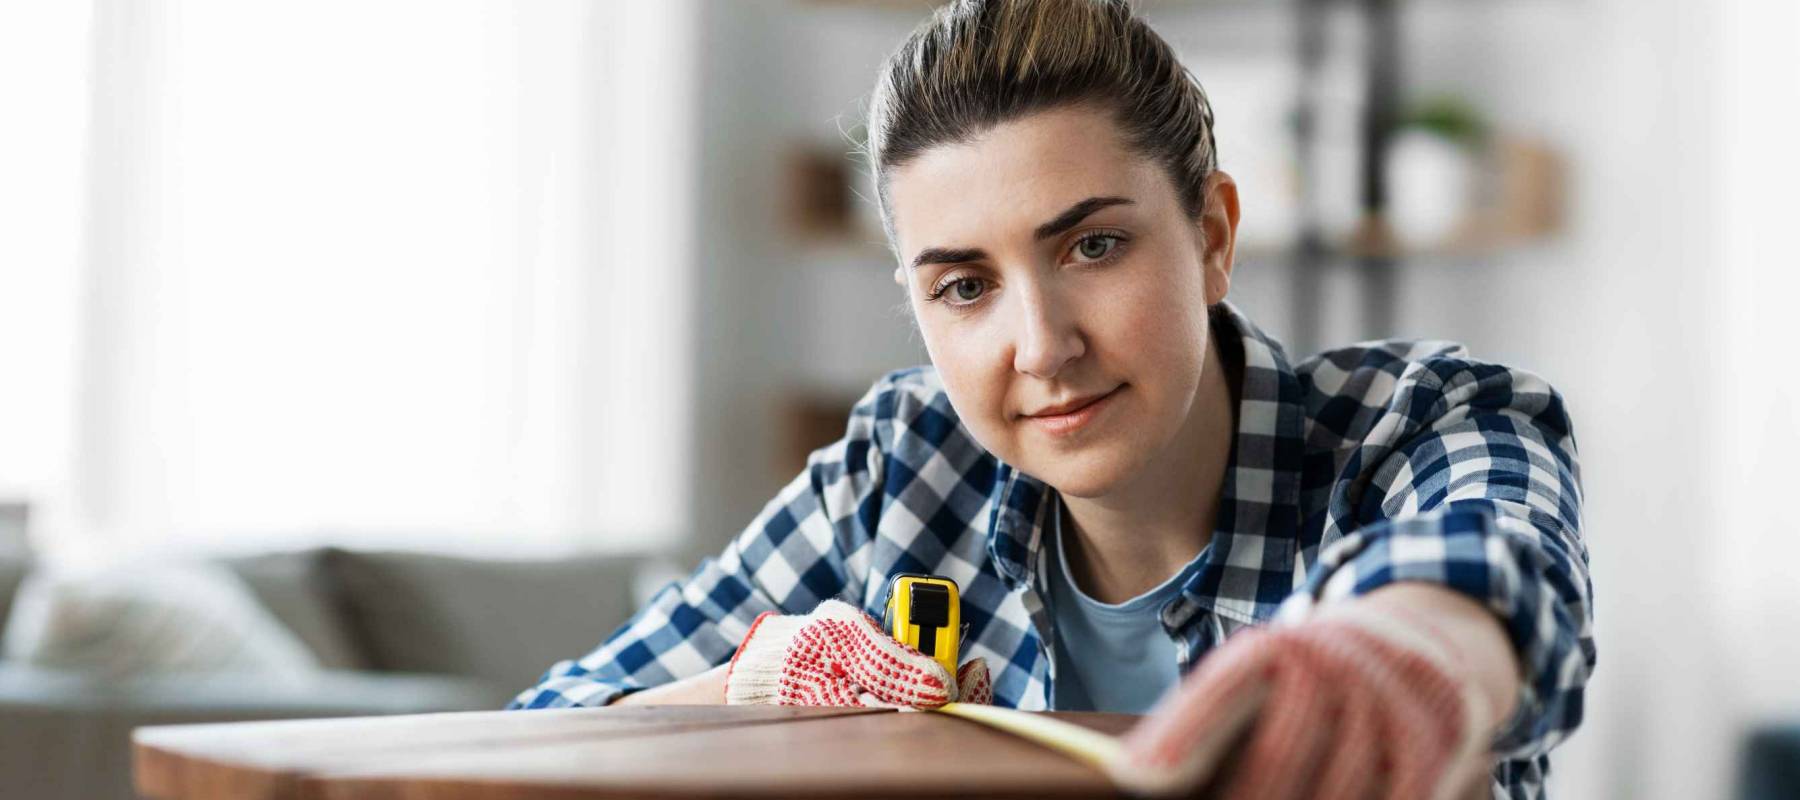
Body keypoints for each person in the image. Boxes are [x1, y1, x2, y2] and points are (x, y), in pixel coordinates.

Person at [508, 1, 1594, 797]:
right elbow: (537, 735)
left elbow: (1491, 573)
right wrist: (748, 693)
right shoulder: (901, 468)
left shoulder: (1419, 421)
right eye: (965, 286)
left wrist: (1401, 652)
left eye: (1095, 245)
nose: (1042, 346)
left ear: (1213, 235)